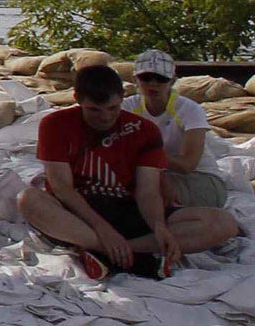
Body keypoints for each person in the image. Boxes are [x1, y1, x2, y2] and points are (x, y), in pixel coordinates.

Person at [17, 62, 240, 280]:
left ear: (122, 99)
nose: (105, 117)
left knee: (223, 223)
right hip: (80, 210)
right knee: (28, 199)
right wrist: (103, 230)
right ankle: (125, 252)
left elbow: (147, 191)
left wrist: (159, 227)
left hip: (128, 208)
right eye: (94, 110)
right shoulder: (55, 124)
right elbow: (63, 188)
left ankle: (111, 252)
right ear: (77, 100)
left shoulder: (143, 130)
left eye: (112, 108)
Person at [127, 49, 237, 210]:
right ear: (135, 79)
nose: (153, 83)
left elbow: (187, 164)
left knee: (147, 191)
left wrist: (147, 158)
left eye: (160, 78)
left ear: (172, 82)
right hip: (155, 175)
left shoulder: (189, 109)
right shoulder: (127, 107)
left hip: (201, 180)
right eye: (146, 78)